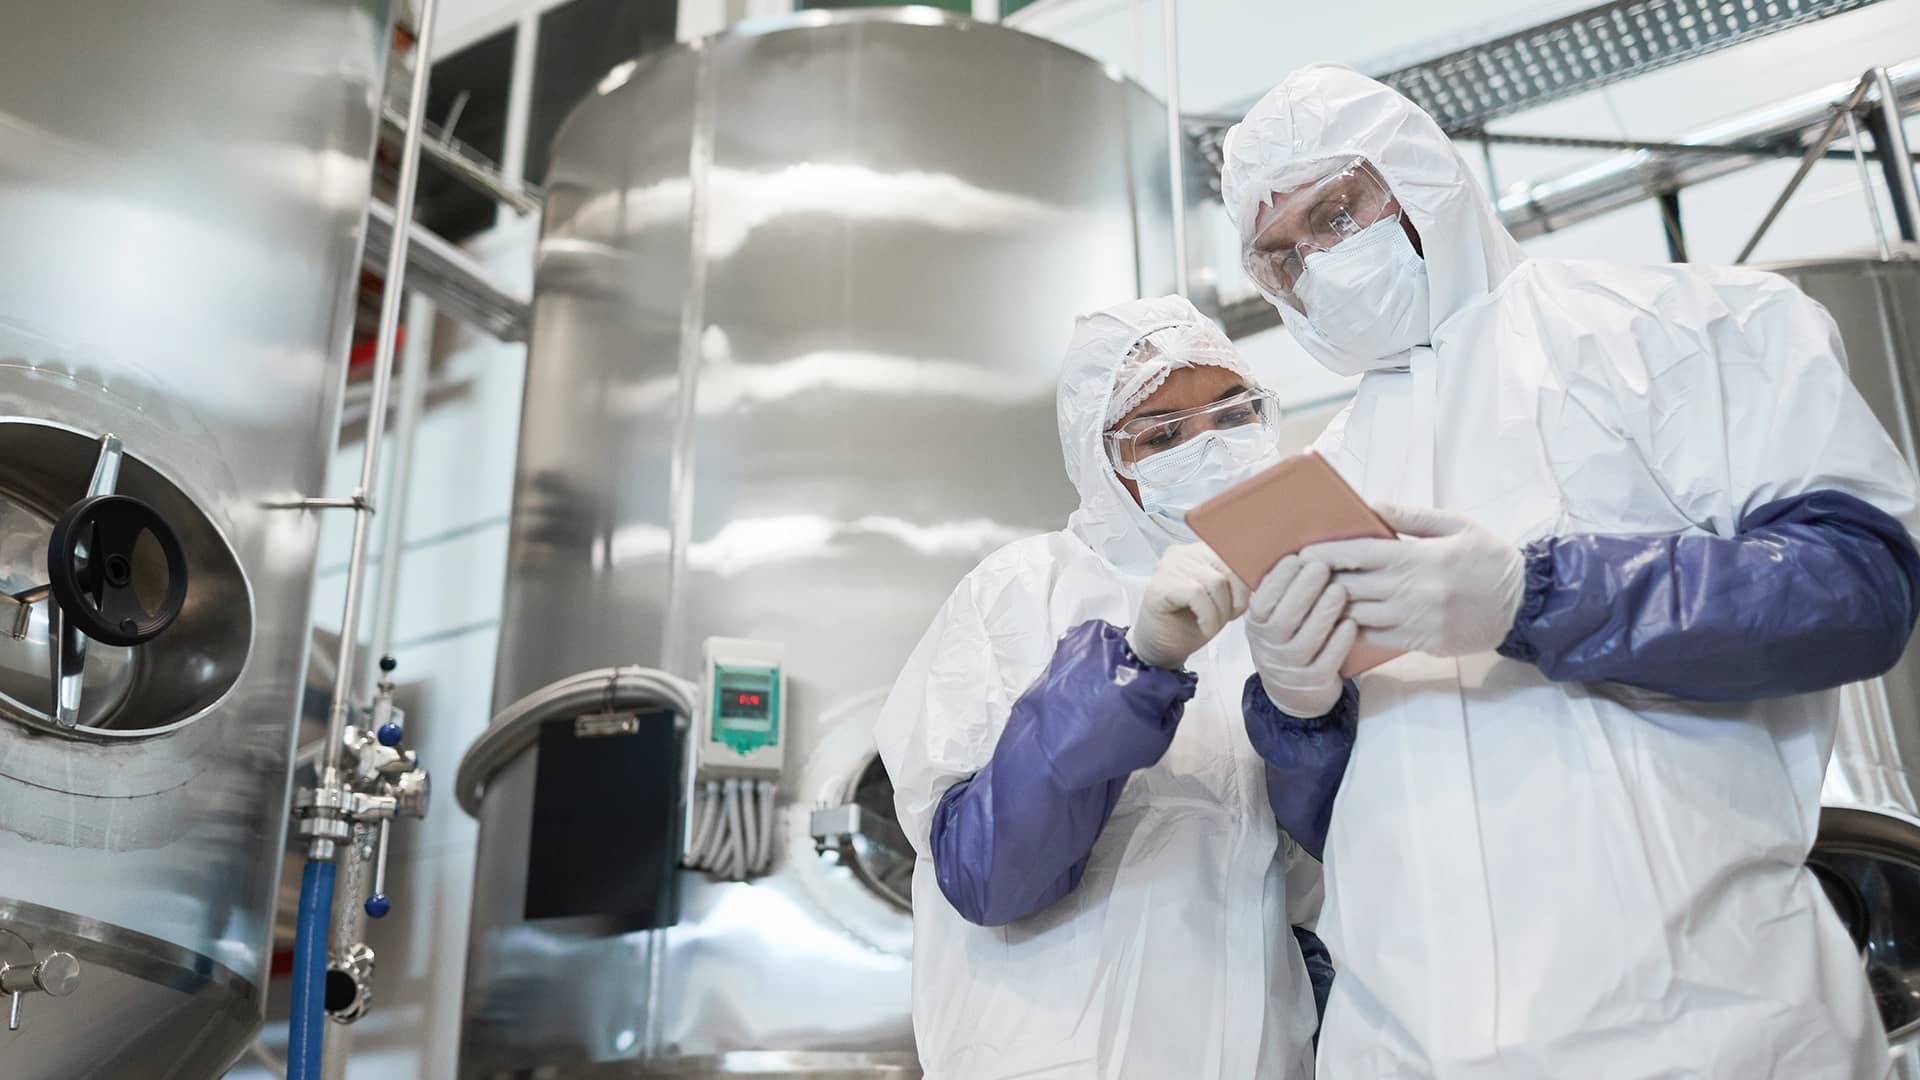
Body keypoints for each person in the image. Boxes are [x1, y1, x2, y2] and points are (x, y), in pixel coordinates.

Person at [1218, 65, 1920, 1078]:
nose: (1313, 269)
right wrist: (1295, 710)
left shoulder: (1681, 329)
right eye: (1279, 255)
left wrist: (1532, 597)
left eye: (1334, 213)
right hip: (1404, 1045)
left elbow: (1857, 591)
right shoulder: (1328, 474)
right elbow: (1333, 826)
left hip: (1695, 1025)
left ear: (1424, 180)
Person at [874, 295, 1356, 1080]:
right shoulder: (1022, 593)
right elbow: (987, 870)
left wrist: (1307, 712)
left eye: (1231, 415)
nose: (1207, 447)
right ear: (1101, 459)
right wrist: (1136, 664)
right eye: (1162, 434)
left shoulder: (1291, 585)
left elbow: (1327, 870)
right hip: (1060, 1053)